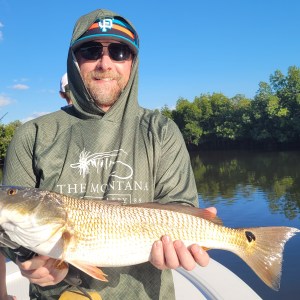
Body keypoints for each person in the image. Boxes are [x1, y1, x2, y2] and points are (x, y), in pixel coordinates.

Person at [1, 8, 216, 300]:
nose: (105, 63)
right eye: (90, 51)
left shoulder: (162, 130)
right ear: (74, 60)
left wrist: (176, 250)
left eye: (118, 52)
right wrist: (29, 260)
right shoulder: (32, 134)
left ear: (133, 63)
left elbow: (180, 206)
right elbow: (8, 233)